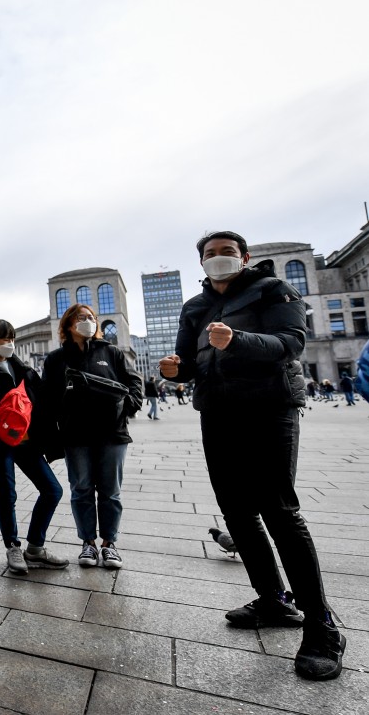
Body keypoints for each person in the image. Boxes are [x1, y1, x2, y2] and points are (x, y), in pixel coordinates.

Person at [159, 230, 345, 681]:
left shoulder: (274, 290)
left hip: (269, 408)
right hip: (217, 411)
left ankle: (322, 626)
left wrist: (237, 339)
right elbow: (188, 359)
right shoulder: (194, 307)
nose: (218, 259)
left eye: (227, 252)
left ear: (244, 257)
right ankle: (272, 600)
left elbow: (290, 344)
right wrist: (175, 369)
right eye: (210, 254)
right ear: (200, 262)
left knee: (279, 511)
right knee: (237, 513)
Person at [42, 303, 143, 570]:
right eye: (81, 317)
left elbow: (134, 381)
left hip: (112, 433)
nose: (88, 321)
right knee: (82, 489)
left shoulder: (110, 352)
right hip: (75, 435)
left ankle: (109, 544)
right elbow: (47, 400)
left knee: (110, 491)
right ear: (67, 325)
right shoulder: (55, 359)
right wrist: (51, 436)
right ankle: (88, 542)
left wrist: (127, 406)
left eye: (91, 317)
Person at [0, 319, 67, 573]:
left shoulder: (22, 369)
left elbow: (40, 403)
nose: (10, 343)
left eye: (12, 338)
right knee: (7, 493)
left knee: (52, 490)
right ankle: (12, 546)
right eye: (5, 339)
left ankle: (35, 548)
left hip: (27, 442)